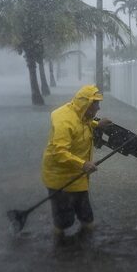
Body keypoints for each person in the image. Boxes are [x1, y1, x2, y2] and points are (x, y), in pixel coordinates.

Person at [41, 84, 112, 240]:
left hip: (77, 176)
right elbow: (59, 152)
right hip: (59, 178)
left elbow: (82, 123)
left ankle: (85, 246)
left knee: (86, 216)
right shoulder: (64, 122)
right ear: (86, 104)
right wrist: (83, 164)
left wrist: (97, 124)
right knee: (63, 221)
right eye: (96, 104)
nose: (98, 108)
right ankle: (60, 246)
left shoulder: (80, 114)